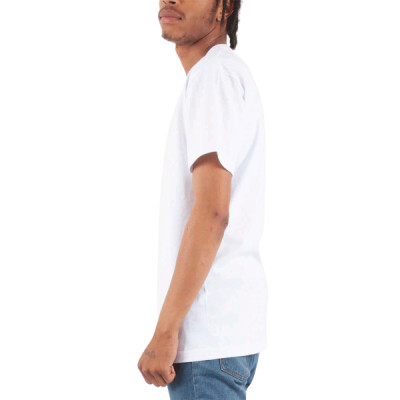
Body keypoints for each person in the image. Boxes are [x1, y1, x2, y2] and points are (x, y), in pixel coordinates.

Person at [137, 1, 268, 398]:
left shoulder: (213, 76)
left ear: (223, 7)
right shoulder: (222, 74)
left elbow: (212, 211)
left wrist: (165, 330)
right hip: (223, 335)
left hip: (207, 340)